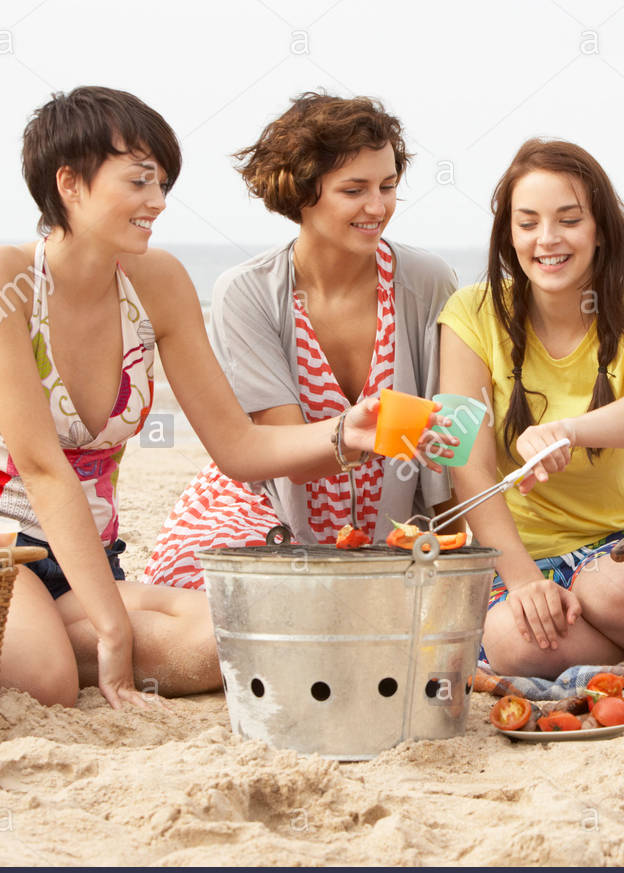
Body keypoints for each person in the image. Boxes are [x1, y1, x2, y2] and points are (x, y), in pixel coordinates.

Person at [0, 87, 450, 710]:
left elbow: (239, 445)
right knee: (47, 684)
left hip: (89, 560)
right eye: (141, 182)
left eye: (164, 184)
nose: (159, 202)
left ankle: (33, 637)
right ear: (69, 183)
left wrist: (348, 434)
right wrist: (115, 632)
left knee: (228, 641)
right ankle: (7, 632)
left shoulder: (159, 282)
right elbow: (42, 469)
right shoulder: (0, 277)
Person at [144, 93, 456, 590]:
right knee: (234, 608)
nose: (377, 207)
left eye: (388, 185)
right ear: (302, 192)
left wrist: (457, 550)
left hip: (393, 529)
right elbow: (286, 457)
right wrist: (361, 431)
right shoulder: (248, 291)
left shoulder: (427, 281)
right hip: (267, 510)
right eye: (354, 190)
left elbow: (441, 449)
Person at [437, 138, 624, 678]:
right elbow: (467, 461)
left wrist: (568, 431)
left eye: (569, 220)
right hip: (519, 553)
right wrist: (525, 578)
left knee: (612, 588)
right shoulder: (471, 313)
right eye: (527, 223)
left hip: (620, 551)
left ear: (600, 228)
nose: (547, 240)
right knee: (514, 642)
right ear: (509, 233)